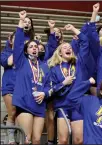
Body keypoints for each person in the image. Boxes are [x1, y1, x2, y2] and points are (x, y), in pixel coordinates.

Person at [12, 10, 52, 144]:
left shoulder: (44, 66)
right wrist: (21, 22)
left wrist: (44, 94)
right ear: (26, 50)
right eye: (31, 47)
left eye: (36, 46)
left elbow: (49, 86)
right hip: (25, 104)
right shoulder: (21, 61)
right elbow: (17, 44)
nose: (34, 48)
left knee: (36, 140)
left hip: (40, 106)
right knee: (27, 139)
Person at [48, 23, 91, 144]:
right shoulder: (54, 68)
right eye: (64, 47)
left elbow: (85, 42)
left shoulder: (79, 63)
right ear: (60, 53)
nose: (68, 48)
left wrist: (73, 29)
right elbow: (53, 89)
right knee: (63, 140)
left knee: (79, 140)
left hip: (78, 105)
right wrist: (64, 83)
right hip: (62, 105)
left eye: (70, 47)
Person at [0, 32, 17, 144]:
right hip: (9, 87)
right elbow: (9, 62)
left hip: (23, 88)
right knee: (12, 113)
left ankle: (20, 138)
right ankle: (10, 140)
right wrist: (16, 48)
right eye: (16, 38)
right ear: (10, 40)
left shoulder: (25, 54)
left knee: (22, 115)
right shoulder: (5, 53)